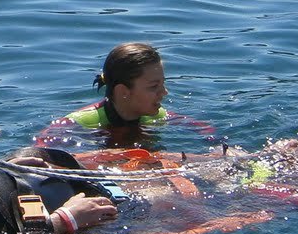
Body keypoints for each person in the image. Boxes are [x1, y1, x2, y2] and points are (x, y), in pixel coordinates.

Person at [36, 41, 221, 151]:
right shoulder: (81, 122)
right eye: (154, 87)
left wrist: (219, 147)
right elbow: (40, 147)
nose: (164, 93)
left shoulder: (156, 116)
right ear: (123, 92)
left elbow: (205, 129)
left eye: (163, 84)